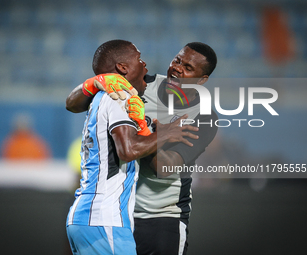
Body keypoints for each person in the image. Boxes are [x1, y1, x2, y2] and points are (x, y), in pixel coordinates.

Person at [66, 42, 218, 255]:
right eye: (177, 60)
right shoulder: (143, 85)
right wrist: (96, 82)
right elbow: (72, 104)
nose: (177, 68)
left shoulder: (204, 117)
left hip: (163, 218)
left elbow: (164, 168)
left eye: (188, 68)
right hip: (122, 213)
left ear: (202, 80)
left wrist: (147, 130)